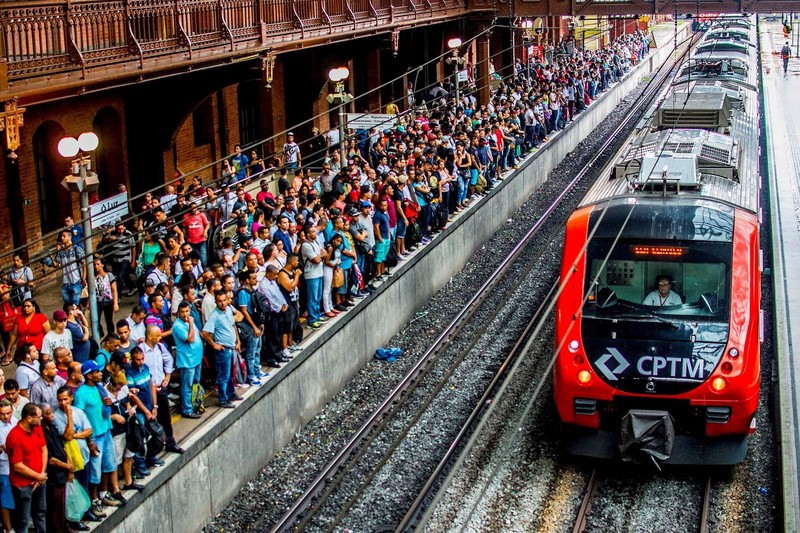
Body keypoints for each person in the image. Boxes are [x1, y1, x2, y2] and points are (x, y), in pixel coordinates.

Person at [73, 361, 123, 514]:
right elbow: (79, 418)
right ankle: (94, 499)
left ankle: (104, 493)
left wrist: (107, 403)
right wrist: (89, 442)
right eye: (97, 372)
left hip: (105, 430)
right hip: (94, 436)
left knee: (109, 465)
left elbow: (104, 406)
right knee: (95, 471)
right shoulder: (81, 393)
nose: (100, 373)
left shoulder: (99, 388)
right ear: (89, 375)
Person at [138, 326, 182, 455]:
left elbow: (168, 360)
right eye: (157, 336)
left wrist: (167, 376)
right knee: (150, 420)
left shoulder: (160, 348)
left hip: (161, 388)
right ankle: (153, 449)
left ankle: (170, 442)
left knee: (165, 418)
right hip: (148, 391)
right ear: (150, 337)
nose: (160, 337)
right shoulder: (141, 352)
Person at [5, 403, 47, 533]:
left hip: (39, 480)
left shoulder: (37, 428)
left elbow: (44, 450)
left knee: (41, 513)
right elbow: (17, 466)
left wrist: (41, 474)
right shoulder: (14, 436)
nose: (41, 419)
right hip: (22, 485)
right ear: (29, 418)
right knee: (23, 521)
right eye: (39, 417)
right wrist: (38, 476)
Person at [201, 290, 242, 409]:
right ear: (216, 302)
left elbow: (234, 322)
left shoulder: (229, 309)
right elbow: (205, 333)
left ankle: (230, 393)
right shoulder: (214, 316)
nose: (223, 303)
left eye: (224, 300)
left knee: (229, 374)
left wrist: (237, 341)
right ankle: (223, 399)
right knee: (223, 375)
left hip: (231, 347)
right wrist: (214, 345)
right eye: (220, 301)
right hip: (223, 350)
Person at [41, 403, 75, 533]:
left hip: (62, 473)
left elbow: (62, 446)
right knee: (54, 506)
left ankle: (63, 526)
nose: (52, 416)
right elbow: (51, 460)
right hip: (53, 475)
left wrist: (68, 465)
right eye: (49, 414)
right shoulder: (42, 432)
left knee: (61, 504)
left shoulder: (52, 428)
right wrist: (68, 466)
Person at [172, 302, 204, 418]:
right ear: (178, 313)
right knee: (187, 386)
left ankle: (196, 404)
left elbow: (198, 334)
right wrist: (190, 323)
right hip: (187, 361)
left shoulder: (190, 321)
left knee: (196, 384)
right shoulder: (178, 326)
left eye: (187, 311)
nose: (185, 314)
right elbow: (190, 339)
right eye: (182, 312)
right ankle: (187, 409)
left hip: (196, 358)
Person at [46, 230, 86, 308]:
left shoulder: (77, 249)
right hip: (65, 282)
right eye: (61, 236)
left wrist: (83, 278)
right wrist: (50, 259)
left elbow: (84, 263)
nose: (62, 238)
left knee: (75, 306)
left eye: (64, 236)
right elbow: (56, 264)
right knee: (68, 305)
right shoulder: (60, 252)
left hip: (76, 281)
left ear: (69, 237)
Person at [99, 222, 136, 297]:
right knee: (123, 275)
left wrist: (133, 261)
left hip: (125, 257)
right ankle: (133, 286)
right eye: (119, 229)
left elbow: (133, 247)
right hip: (115, 258)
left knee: (120, 276)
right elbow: (104, 242)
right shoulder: (112, 233)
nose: (121, 231)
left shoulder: (128, 234)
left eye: (122, 229)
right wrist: (109, 238)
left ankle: (118, 295)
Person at [0, 400, 16, 533]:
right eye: (2, 414)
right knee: (5, 500)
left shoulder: (16, 421)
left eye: (8, 413)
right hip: (4, 468)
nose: (6, 417)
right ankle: (8, 529)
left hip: (17, 466)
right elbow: (8, 450)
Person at [93, 260, 119, 338]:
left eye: (98, 264)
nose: (96, 266)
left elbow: (114, 290)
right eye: (95, 265)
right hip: (97, 302)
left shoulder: (109, 275)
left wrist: (115, 303)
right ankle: (100, 334)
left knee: (109, 321)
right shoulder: (93, 276)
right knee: (96, 320)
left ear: (102, 265)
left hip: (108, 301)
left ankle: (111, 336)